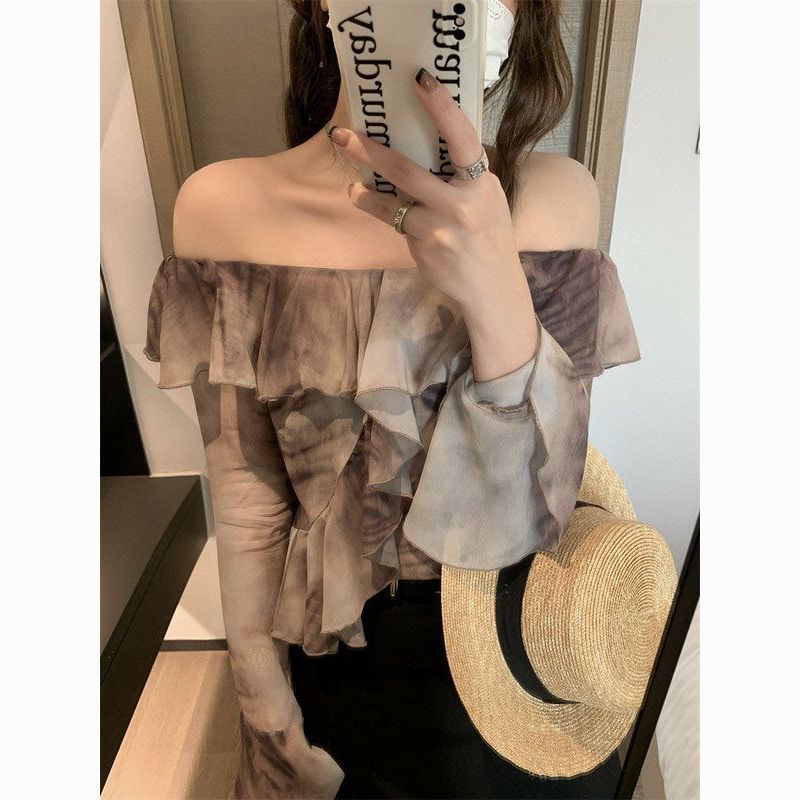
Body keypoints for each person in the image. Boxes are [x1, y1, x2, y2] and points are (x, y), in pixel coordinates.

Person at [143, 0, 641, 797]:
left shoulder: (556, 199)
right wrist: (266, 711)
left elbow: (539, 502)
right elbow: (248, 497)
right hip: (338, 650)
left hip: (526, 631)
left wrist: (493, 285)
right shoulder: (226, 207)